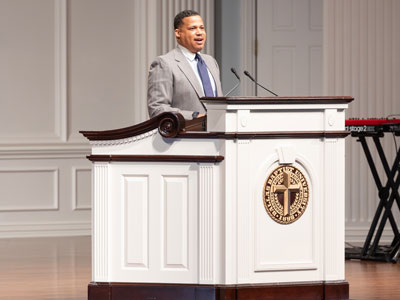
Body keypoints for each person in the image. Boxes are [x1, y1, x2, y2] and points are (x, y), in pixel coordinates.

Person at [147, 10, 223, 120]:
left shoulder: (211, 62)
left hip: (216, 135)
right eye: (193, 28)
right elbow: (157, 109)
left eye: (202, 28)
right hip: (185, 135)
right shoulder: (164, 63)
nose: (199, 32)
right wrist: (195, 116)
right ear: (178, 33)